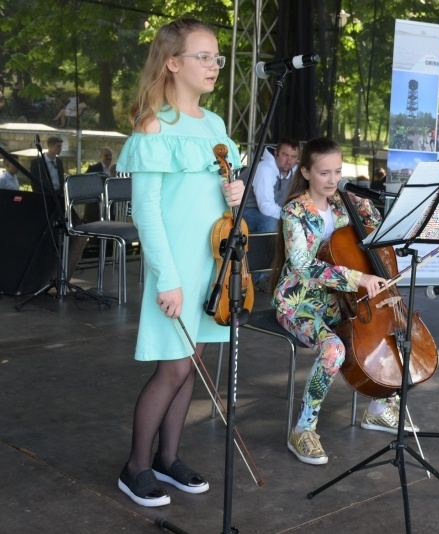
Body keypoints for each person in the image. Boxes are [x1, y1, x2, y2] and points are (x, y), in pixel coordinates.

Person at [114, 18, 244, 507]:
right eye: (203, 57)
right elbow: (145, 210)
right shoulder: (155, 123)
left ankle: (169, 458)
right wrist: (166, 279)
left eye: (216, 58)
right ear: (173, 62)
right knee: (172, 369)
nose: (214, 66)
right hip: (175, 270)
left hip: (211, 264)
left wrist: (232, 193)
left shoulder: (214, 125)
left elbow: (218, 197)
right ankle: (136, 467)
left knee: (193, 364)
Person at [271, 137, 415, 466]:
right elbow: (302, 266)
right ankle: (303, 430)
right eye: (324, 173)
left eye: (338, 171)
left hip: (339, 300)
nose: (333, 179)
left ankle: (378, 408)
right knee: (335, 348)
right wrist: (358, 279)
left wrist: (370, 212)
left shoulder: (342, 204)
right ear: (305, 171)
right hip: (299, 301)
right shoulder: (294, 211)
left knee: (382, 335)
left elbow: (377, 235)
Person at [242, 139, 300, 234]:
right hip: (244, 210)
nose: (289, 161)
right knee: (271, 223)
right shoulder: (265, 169)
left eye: (293, 157)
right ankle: (262, 249)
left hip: (268, 211)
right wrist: (292, 216)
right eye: (285, 155)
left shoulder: (296, 172)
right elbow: (266, 207)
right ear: (276, 153)